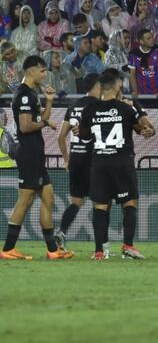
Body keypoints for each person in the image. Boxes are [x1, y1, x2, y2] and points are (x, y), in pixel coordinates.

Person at [78, 69, 156, 260]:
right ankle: (128, 246)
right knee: (129, 203)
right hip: (122, 162)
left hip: (99, 164)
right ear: (118, 85)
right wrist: (147, 131)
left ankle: (99, 251)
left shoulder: (89, 110)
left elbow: (84, 135)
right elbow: (142, 130)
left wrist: (80, 131)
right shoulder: (125, 108)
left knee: (100, 206)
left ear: (100, 87)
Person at [1, 55, 73, 260]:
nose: (45, 73)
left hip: (34, 153)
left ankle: (52, 250)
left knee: (47, 198)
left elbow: (41, 117)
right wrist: (44, 124)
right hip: (28, 153)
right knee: (25, 200)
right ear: (31, 71)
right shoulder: (24, 95)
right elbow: (25, 126)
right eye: (42, 70)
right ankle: (7, 248)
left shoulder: (31, 93)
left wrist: (49, 102)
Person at [54, 73, 100, 251]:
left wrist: (67, 160)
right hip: (93, 160)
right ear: (97, 86)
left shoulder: (73, 106)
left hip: (76, 159)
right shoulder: (97, 105)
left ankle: (62, 232)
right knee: (100, 204)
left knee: (76, 202)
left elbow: (60, 138)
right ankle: (100, 248)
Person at [128, 28, 158, 99]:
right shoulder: (133, 54)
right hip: (142, 96)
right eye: (148, 38)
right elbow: (132, 75)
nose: (152, 40)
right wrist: (135, 91)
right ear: (141, 41)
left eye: (152, 37)